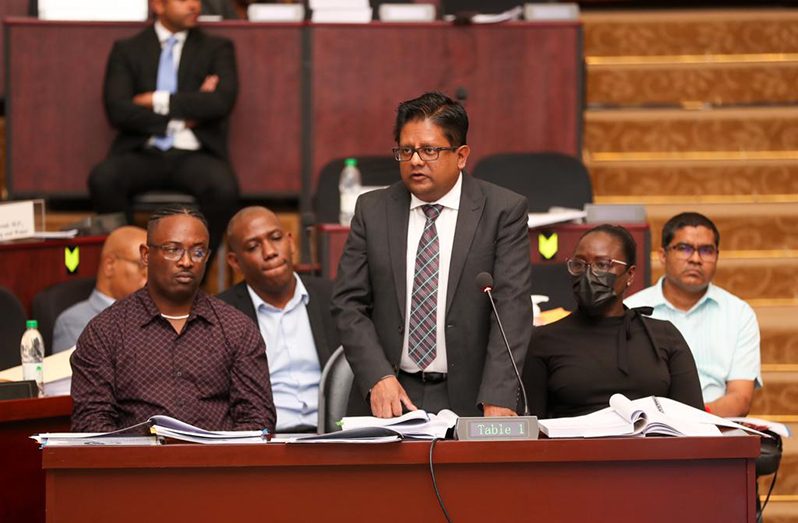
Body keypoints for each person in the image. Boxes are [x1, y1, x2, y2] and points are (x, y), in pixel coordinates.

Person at [331, 91, 533, 418]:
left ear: (462, 155)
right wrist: (377, 377)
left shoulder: (502, 211)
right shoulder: (372, 209)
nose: (415, 161)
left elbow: (511, 307)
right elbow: (348, 304)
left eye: (429, 150)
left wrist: (499, 393)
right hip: (391, 394)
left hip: (475, 396)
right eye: (406, 150)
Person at [71, 207, 275, 433]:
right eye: (172, 249)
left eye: (198, 252)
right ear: (146, 255)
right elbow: (90, 423)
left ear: (207, 257)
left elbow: (258, 418)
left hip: (216, 464)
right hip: (137, 464)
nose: (186, 261)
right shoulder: (106, 331)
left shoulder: (236, 328)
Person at [88, 0, 239, 255]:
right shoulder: (128, 49)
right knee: (103, 180)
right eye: (183, 0)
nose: (194, 6)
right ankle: (134, 262)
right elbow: (118, 110)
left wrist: (154, 100)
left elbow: (220, 102)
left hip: (195, 153)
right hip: (142, 150)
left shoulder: (217, 48)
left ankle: (195, 271)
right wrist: (183, 115)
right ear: (157, 5)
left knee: (224, 189)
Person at [525, 224, 705, 419]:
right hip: (574, 447)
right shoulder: (544, 340)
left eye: (602, 264)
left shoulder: (664, 336)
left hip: (650, 446)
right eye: (579, 264)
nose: (589, 274)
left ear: (630, 274)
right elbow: (532, 430)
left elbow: (693, 421)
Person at [625, 212, 761, 417]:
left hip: (714, 429)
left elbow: (740, 399)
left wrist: (694, 419)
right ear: (663, 255)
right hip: (646, 432)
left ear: (717, 256)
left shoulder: (738, 313)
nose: (696, 259)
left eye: (706, 250)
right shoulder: (631, 310)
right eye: (684, 248)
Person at [218, 206, 339, 432]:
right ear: (234, 262)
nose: (270, 251)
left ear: (291, 242)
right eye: (253, 246)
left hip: (333, 437)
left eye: (275, 238)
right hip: (264, 443)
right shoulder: (221, 314)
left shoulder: (334, 298)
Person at [52, 226, 148, 353]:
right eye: (142, 266)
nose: (150, 276)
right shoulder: (74, 322)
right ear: (110, 265)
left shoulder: (158, 314)